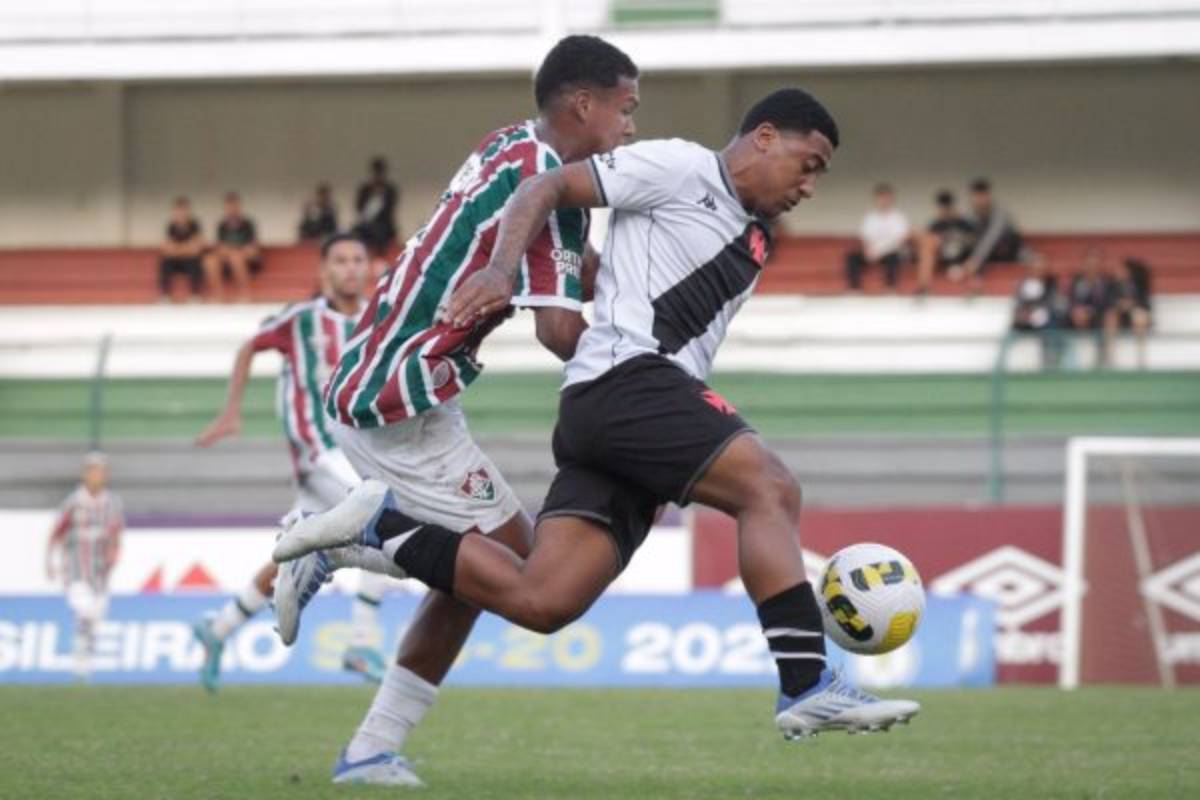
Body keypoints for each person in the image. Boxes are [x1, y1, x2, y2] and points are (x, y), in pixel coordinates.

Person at [276, 88, 919, 744]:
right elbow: (545, 186)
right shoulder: (680, 166)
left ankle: (378, 527)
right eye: (808, 163)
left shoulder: (749, 236)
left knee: (543, 598)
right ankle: (806, 682)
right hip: (627, 384)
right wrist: (503, 270)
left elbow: (622, 279)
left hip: (629, 411)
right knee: (771, 487)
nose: (810, 185)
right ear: (763, 137)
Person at [266, 35, 639, 787]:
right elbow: (560, 331)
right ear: (583, 104)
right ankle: (345, 543)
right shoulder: (555, 183)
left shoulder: (509, 144)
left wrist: (625, 280)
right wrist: (643, 360)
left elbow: (565, 269)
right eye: (627, 109)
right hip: (401, 396)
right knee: (520, 571)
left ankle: (370, 750)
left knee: (472, 577)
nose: (631, 127)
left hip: (389, 378)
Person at [191, 233, 393, 691]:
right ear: (324, 270)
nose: (349, 268)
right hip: (316, 448)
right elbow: (249, 346)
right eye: (339, 260)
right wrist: (230, 411)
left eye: (357, 260)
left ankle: (218, 629)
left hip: (353, 450)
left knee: (294, 553)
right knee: (386, 514)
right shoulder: (300, 319)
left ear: (368, 267)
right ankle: (361, 643)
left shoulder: (376, 320)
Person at [45, 452, 124, 681]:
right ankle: (80, 662)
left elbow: (116, 534)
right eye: (92, 470)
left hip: (100, 573)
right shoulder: (74, 502)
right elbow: (56, 532)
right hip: (76, 569)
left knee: (96, 617)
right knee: (84, 611)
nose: (96, 475)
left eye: (100, 471)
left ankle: (85, 658)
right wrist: (49, 561)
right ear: (85, 473)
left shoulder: (112, 503)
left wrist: (115, 553)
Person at [956, 178, 1024, 290]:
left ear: (988, 196)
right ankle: (972, 279)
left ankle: (976, 277)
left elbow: (992, 237)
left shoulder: (999, 213)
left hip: (1008, 251)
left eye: (982, 195)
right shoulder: (970, 214)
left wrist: (975, 259)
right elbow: (967, 236)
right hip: (987, 255)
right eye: (976, 196)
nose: (979, 199)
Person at [844, 183, 911, 293]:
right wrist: (868, 250)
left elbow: (899, 240)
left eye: (886, 198)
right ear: (876, 199)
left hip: (890, 251)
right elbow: (865, 237)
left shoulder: (899, 217)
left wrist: (880, 252)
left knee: (894, 257)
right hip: (872, 252)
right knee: (852, 257)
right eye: (881, 198)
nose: (884, 201)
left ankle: (890, 288)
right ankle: (854, 288)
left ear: (891, 199)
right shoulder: (870, 217)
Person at [914, 189, 974, 296]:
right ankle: (923, 285)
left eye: (947, 208)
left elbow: (973, 243)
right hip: (941, 261)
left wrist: (957, 239)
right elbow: (927, 246)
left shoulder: (964, 223)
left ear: (952, 207)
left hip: (961, 260)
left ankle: (971, 288)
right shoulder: (935, 224)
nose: (945, 212)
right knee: (926, 241)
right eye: (942, 208)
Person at [203, 192, 261, 302]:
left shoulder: (248, 224)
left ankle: (244, 294)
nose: (232, 209)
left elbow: (252, 248)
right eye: (229, 206)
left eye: (234, 206)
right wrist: (228, 251)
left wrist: (234, 251)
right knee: (209, 260)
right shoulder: (222, 225)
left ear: (239, 206)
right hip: (227, 257)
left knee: (236, 256)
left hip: (247, 259)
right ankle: (218, 295)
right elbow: (220, 246)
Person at [1010, 255, 1065, 367]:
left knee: (1054, 326)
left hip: (1044, 320)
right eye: (1036, 267)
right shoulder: (1023, 285)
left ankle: (1051, 363)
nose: (1039, 270)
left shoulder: (1051, 284)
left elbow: (1054, 304)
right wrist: (1024, 314)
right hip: (1025, 321)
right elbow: (1018, 306)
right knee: (1011, 329)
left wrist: (1039, 312)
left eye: (1041, 267)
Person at [1104, 257, 1153, 369]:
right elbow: (1108, 302)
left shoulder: (1139, 285)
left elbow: (1145, 303)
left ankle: (1141, 356)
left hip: (1134, 316)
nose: (1118, 272)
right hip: (1119, 317)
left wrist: (1131, 304)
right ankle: (1110, 356)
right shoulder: (1113, 285)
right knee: (1110, 317)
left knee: (1140, 316)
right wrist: (1119, 305)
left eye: (1121, 269)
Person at [158, 197, 206, 302]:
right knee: (164, 261)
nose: (181, 213)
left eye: (184, 210)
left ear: (188, 211)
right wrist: (185, 248)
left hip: (190, 261)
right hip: (176, 262)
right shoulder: (171, 226)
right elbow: (167, 249)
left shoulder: (194, 226)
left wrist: (177, 249)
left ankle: (195, 296)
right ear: (174, 212)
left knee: (195, 260)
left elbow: (196, 249)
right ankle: (165, 296)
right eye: (178, 210)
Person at [353, 157, 400, 261]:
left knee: (379, 232)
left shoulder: (390, 189)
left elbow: (390, 210)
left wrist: (380, 197)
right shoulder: (365, 189)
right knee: (354, 231)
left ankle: (380, 259)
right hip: (366, 225)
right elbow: (359, 208)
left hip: (384, 226)